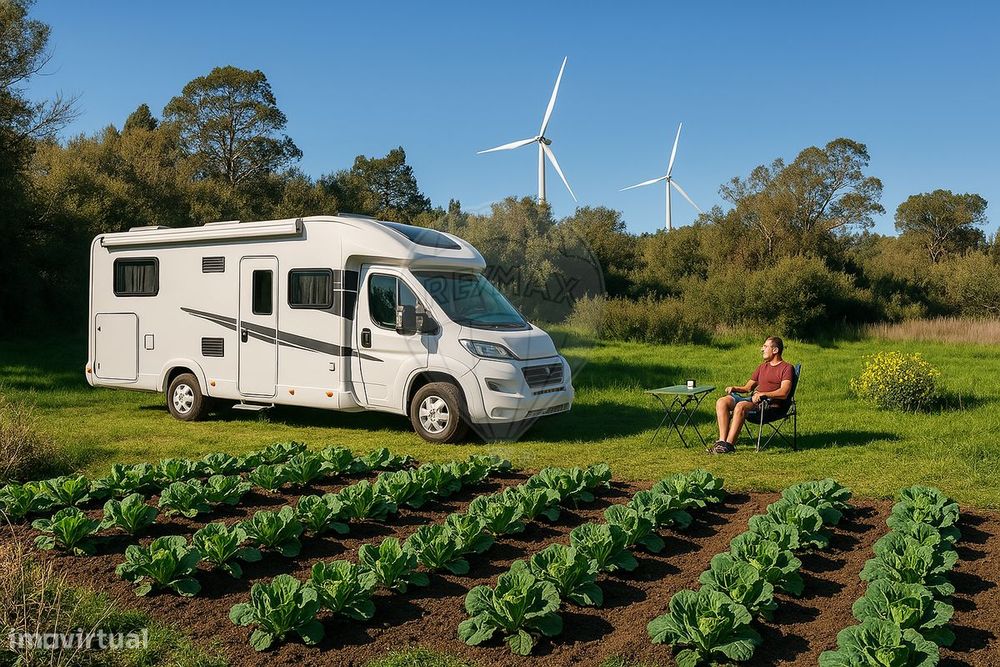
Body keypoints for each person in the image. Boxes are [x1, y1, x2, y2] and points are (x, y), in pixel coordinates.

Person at [711, 336, 794, 454]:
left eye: (765, 346)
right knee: (722, 402)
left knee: (741, 406)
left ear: (775, 350)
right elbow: (748, 388)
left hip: (769, 406)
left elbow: (784, 392)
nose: (762, 349)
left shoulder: (786, 368)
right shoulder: (762, 367)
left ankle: (728, 445)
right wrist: (735, 388)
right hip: (754, 400)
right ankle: (721, 441)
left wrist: (763, 394)